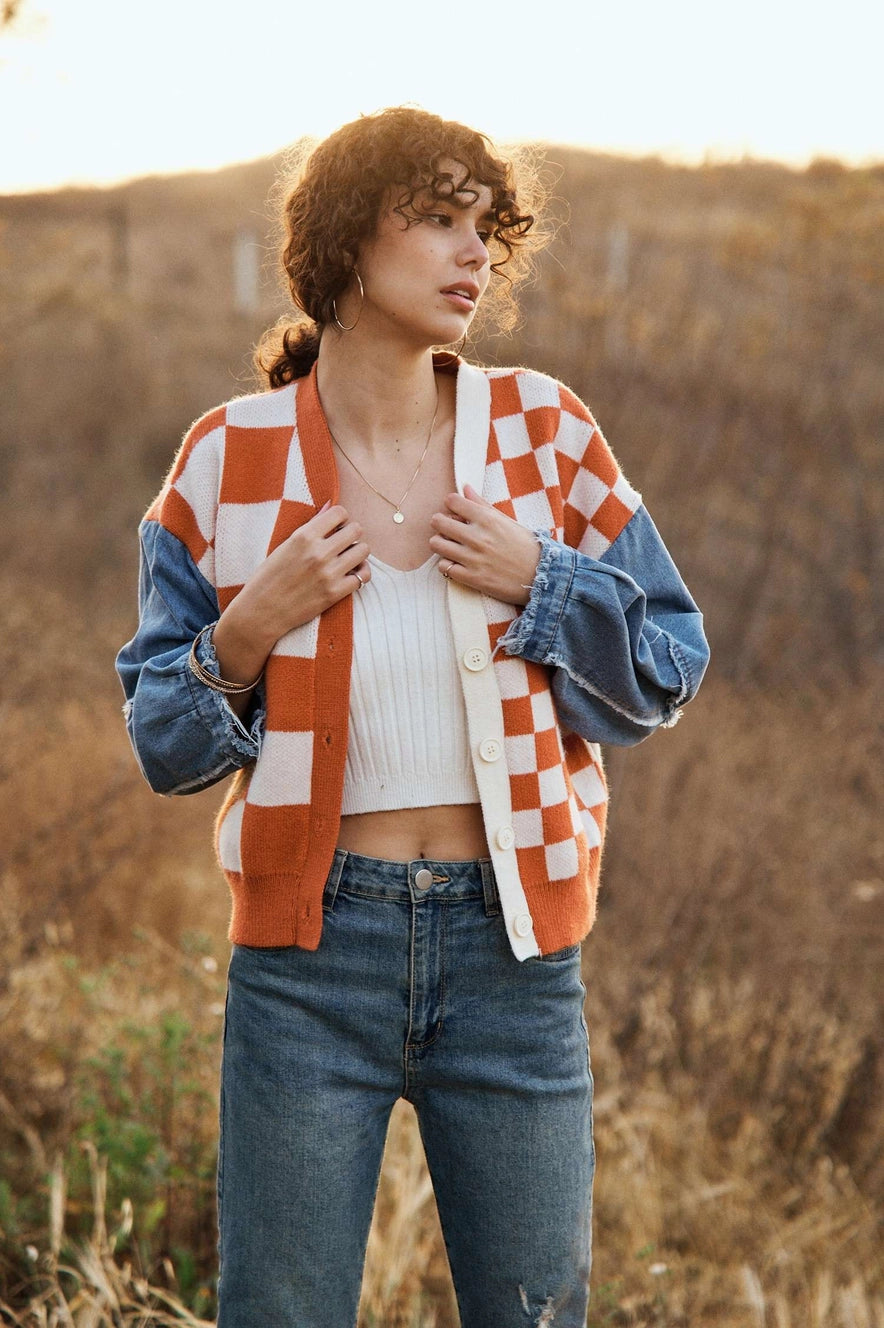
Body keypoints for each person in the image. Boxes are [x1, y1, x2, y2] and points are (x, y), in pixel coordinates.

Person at [116, 106, 709, 1328]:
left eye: (484, 227)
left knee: (536, 1312)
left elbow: (665, 663)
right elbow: (160, 744)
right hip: (307, 958)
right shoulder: (226, 460)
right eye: (436, 220)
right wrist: (245, 629)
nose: (471, 253)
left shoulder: (546, 431)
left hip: (514, 951)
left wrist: (538, 580)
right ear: (342, 242)